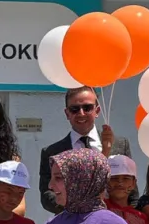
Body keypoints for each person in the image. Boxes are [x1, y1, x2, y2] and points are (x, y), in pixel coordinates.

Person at [39, 86, 116, 215]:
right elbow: (47, 197)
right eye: (74, 109)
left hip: (111, 219)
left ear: (97, 110)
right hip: (71, 222)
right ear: (67, 113)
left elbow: (131, 194)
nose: (81, 113)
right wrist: (77, 208)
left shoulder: (119, 145)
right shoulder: (52, 152)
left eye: (87, 108)